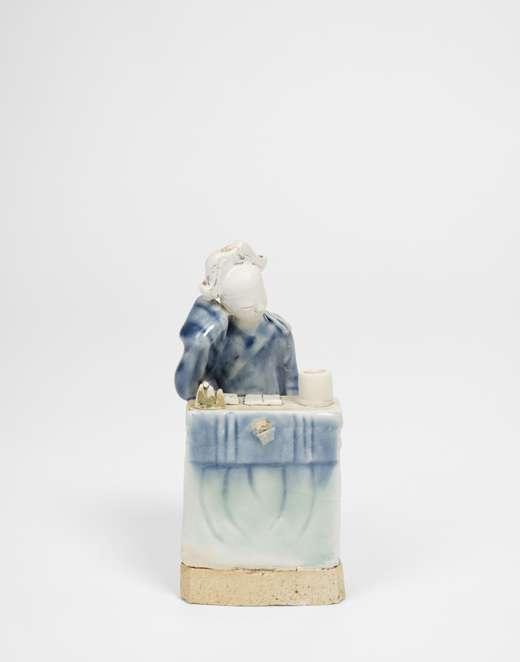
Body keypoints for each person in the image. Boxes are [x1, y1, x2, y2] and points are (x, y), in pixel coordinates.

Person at [175, 241, 299, 400]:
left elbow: (292, 383)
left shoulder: (279, 332)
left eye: (261, 294)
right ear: (225, 304)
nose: (259, 306)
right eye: (247, 304)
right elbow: (187, 391)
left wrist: (293, 409)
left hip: (272, 410)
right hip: (232, 412)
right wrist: (198, 342)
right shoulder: (219, 338)